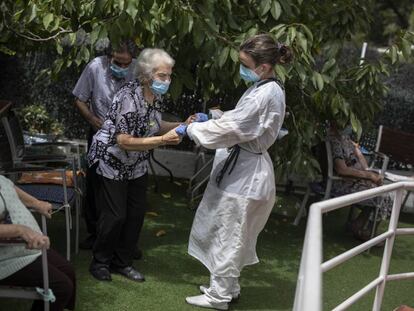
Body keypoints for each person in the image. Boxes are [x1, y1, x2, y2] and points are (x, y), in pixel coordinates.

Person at [180, 34, 293, 310]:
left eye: (245, 63)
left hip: (246, 176)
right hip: (246, 169)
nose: (240, 68)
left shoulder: (265, 93)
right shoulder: (266, 87)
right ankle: (228, 288)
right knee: (234, 233)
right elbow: (240, 119)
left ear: (263, 67)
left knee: (230, 234)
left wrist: (193, 129)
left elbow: (234, 129)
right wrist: (215, 117)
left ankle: (218, 297)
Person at [87, 48, 191, 282]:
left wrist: (182, 124)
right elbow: (123, 141)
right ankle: (100, 262)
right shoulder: (128, 96)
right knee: (114, 216)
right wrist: (162, 140)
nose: (167, 80)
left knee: (135, 215)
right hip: (112, 160)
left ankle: (122, 262)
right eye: (162, 76)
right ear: (146, 74)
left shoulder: (155, 96)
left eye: (169, 76)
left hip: (136, 163)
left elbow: (155, 124)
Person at [72, 40, 138, 251]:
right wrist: (92, 120)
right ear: (109, 57)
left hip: (128, 139)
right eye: (118, 62)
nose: (122, 67)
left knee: (126, 188)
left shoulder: (139, 70)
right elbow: (79, 99)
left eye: (126, 64)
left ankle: (123, 239)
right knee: (95, 186)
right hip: (99, 134)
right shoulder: (95, 67)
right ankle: (94, 233)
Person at [0, 175, 76, 311]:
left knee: (68, 271)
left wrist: (36, 203)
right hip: (8, 257)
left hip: (26, 249)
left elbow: (10, 187)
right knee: (61, 287)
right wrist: (19, 231)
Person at [328, 123, 393, 241]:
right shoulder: (334, 142)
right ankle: (367, 231)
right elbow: (342, 170)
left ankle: (358, 224)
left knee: (379, 189)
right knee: (384, 196)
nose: (348, 126)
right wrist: (368, 176)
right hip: (342, 184)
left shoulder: (344, 139)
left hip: (355, 182)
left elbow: (358, 154)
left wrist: (367, 172)